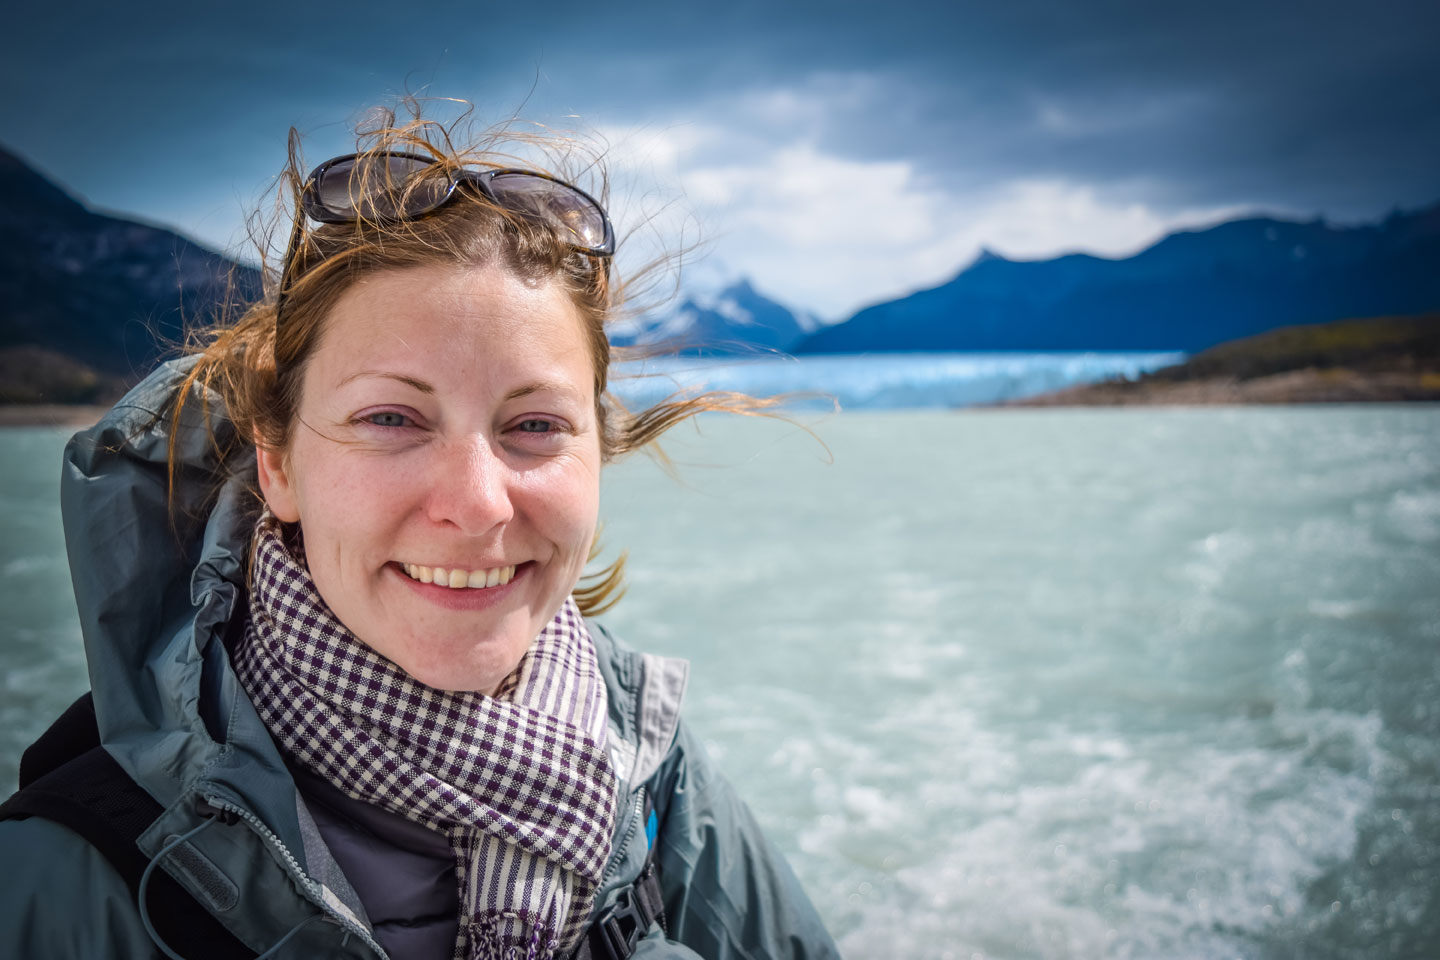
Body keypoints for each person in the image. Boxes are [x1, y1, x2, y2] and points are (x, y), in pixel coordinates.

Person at [0, 108, 839, 960]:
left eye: (537, 426)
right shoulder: (65, 884)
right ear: (279, 463)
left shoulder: (656, 784)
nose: (477, 505)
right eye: (393, 417)